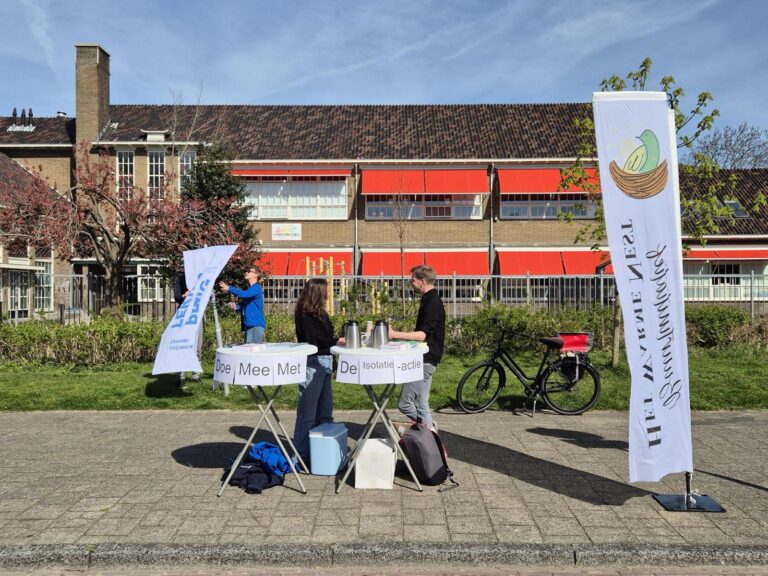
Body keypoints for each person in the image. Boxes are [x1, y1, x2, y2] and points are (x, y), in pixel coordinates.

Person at [388, 265, 445, 432]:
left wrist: (393, 334)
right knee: (421, 403)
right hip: (428, 357)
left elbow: (422, 335)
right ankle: (429, 433)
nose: (410, 283)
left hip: (425, 359)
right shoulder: (430, 299)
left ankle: (428, 431)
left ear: (422, 281)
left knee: (405, 403)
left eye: (412, 280)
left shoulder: (432, 302)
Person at [293, 278, 341, 465]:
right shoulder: (305, 316)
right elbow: (315, 341)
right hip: (312, 364)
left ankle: (322, 451)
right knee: (307, 413)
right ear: (318, 293)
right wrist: (337, 341)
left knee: (325, 411)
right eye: (326, 290)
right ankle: (302, 454)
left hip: (325, 362)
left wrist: (334, 360)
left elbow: (326, 338)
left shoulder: (320, 313)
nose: (329, 294)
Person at [219, 267, 266, 344]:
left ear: (256, 275)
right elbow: (244, 306)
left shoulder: (256, 288)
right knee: (249, 352)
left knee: (254, 352)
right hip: (249, 325)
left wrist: (229, 288)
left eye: (249, 271)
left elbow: (244, 294)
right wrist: (236, 306)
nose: (246, 273)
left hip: (256, 325)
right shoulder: (250, 289)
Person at [173, 269, 201, 387]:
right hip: (184, 316)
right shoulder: (180, 279)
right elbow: (177, 297)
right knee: (183, 343)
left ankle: (196, 373)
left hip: (196, 314)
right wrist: (184, 296)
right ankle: (181, 375)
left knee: (197, 343)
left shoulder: (200, 278)